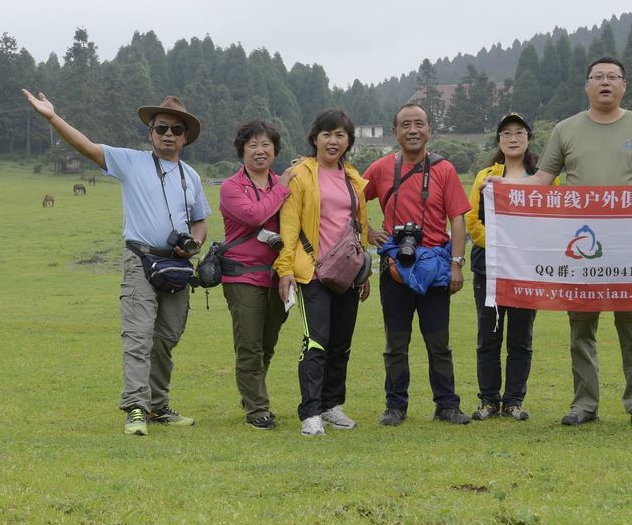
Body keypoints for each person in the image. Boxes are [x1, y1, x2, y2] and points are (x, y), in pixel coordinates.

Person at [509, 56, 632, 429]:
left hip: (629, 246)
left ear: (624, 85)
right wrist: (506, 186)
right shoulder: (566, 129)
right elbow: (543, 179)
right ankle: (584, 404)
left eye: (613, 77)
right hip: (579, 245)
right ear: (587, 85)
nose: (605, 82)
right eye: (598, 77)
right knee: (581, 328)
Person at [22, 90, 209, 436]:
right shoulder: (130, 161)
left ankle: (158, 405)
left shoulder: (192, 177)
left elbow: (199, 222)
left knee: (166, 339)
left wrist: (195, 243)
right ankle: (136, 408)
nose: (169, 134)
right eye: (162, 128)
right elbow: (87, 147)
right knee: (138, 336)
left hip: (177, 267)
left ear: (186, 137)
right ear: (149, 132)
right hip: (140, 260)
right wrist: (52, 117)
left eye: (176, 130)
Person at [363, 103, 473, 426]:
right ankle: (395, 406)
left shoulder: (444, 170)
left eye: (419, 124)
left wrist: (457, 264)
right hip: (396, 267)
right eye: (405, 125)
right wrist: (369, 231)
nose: (413, 130)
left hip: (436, 267)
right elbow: (351, 198)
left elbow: (458, 220)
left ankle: (447, 405)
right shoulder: (382, 168)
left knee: (438, 341)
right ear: (395, 132)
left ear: (429, 130)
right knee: (396, 342)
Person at [275, 109, 372, 437]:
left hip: (347, 273)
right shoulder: (300, 175)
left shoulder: (353, 178)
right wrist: (285, 269)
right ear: (314, 137)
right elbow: (288, 226)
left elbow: (360, 227)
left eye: (340, 135)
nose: (333, 141)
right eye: (327, 134)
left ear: (349, 141)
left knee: (341, 343)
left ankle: (332, 405)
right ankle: (311, 411)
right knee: (317, 341)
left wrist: (365, 271)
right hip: (311, 272)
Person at [465, 112, 544, 421]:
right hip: (490, 264)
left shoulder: (543, 177)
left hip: (527, 265)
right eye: (506, 134)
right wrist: (500, 245)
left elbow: (552, 219)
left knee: (521, 337)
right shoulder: (485, 175)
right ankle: (488, 400)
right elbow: (472, 221)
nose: (513, 138)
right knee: (489, 333)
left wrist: (522, 248)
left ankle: (513, 401)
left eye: (519, 133)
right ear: (499, 140)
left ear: (528, 139)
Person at [217, 119, 291, 430]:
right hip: (242, 276)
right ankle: (258, 409)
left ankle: (251, 396)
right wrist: (284, 188)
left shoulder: (280, 182)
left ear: (275, 149)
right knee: (249, 344)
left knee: (267, 343)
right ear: (242, 150)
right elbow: (254, 215)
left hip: (279, 276)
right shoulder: (232, 187)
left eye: (266, 145)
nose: (260, 151)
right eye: (252, 145)